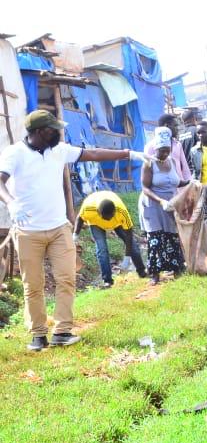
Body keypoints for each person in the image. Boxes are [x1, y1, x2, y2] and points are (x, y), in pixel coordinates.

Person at [0, 110, 152, 351]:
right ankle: (38, 335)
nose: (59, 133)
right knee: (33, 284)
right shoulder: (14, 153)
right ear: (40, 132)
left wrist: (129, 153)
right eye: (53, 129)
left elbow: (91, 154)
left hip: (59, 228)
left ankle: (62, 331)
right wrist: (10, 202)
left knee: (66, 278)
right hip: (28, 231)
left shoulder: (58, 150)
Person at [141, 127, 185, 285]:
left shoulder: (172, 161)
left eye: (167, 150)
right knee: (156, 238)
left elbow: (176, 181)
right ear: (156, 148)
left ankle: (176, 268)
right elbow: (145, 187)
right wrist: (160, 201)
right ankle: (154, 273)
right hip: (153, 205)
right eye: (162, 151)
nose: (165, 154)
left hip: (169, 204)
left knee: (172, 235)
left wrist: (190, 183)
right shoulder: (149, 162)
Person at [74, 190, 146, 288]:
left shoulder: (121, 211)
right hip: (96, 223)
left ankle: (141, 271)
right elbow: (80, 218)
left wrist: (127, 257)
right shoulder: (89, 208)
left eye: (110, 217)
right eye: (106, 218)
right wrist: (75, 236)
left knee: (132, 244)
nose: (108, 220)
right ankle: (107, 280)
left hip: (117, 224)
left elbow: (129, 235)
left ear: (114, 212)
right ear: (99, 213)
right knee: (101, 249)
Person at [145, 113, 192, 182]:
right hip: (162, 189)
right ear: (166, 126)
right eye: (175, 126)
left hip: (180, 188)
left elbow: (185, 168)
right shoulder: (151, 146)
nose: (177, 129)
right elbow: (148, 169)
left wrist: (190, 182)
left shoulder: (177, 144)